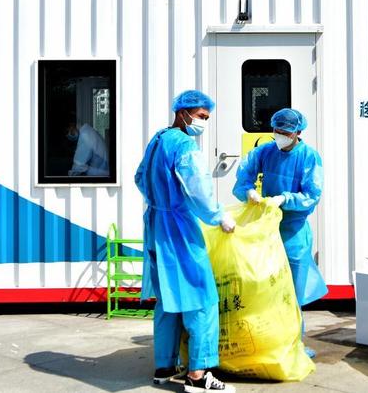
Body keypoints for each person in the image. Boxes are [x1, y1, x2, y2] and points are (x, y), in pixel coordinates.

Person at [135, 90, 236, 393]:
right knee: (201, 299)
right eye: (202, 117)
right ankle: (198, 375)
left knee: (168, 299)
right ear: (184, 113)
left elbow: (140, 177)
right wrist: (219, 217)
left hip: (156, 226)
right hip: (178, 230)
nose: (203, 123)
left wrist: (161, 200)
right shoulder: (185, 146)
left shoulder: (158, 139)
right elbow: (199, 189)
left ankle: (164, 367)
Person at [232, 108, 327, 358]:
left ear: (298, 132)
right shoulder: (265, 151)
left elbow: (311, 195)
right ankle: (268, 341)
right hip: (267, 230)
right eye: (277, 131)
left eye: (285, 132)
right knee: (265, 289)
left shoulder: (309, 157)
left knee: (291, 293)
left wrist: (284, 199)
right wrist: (249, 193)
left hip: (294, 232)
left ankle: (294, 344)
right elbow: (243, 177)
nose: (280, 135)